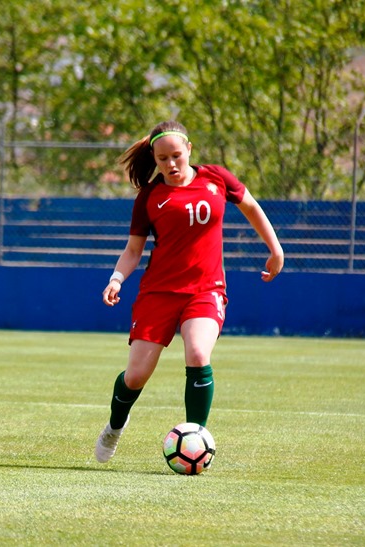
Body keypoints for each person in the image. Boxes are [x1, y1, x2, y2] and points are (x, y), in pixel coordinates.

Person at [93, 120, 284, 464]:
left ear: (190, 150)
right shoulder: (150, 196)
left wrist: (275, 249)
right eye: (163, 158)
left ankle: (196, 438)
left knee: (198, 354)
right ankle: (114, 426)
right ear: (154, 158)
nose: (171, 164)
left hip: (205, 289)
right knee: (135, 376)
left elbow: (252, 207)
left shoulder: (216, 178)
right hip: (159, 292)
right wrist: (116, 279)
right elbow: (133, 250)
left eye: (176, 156)